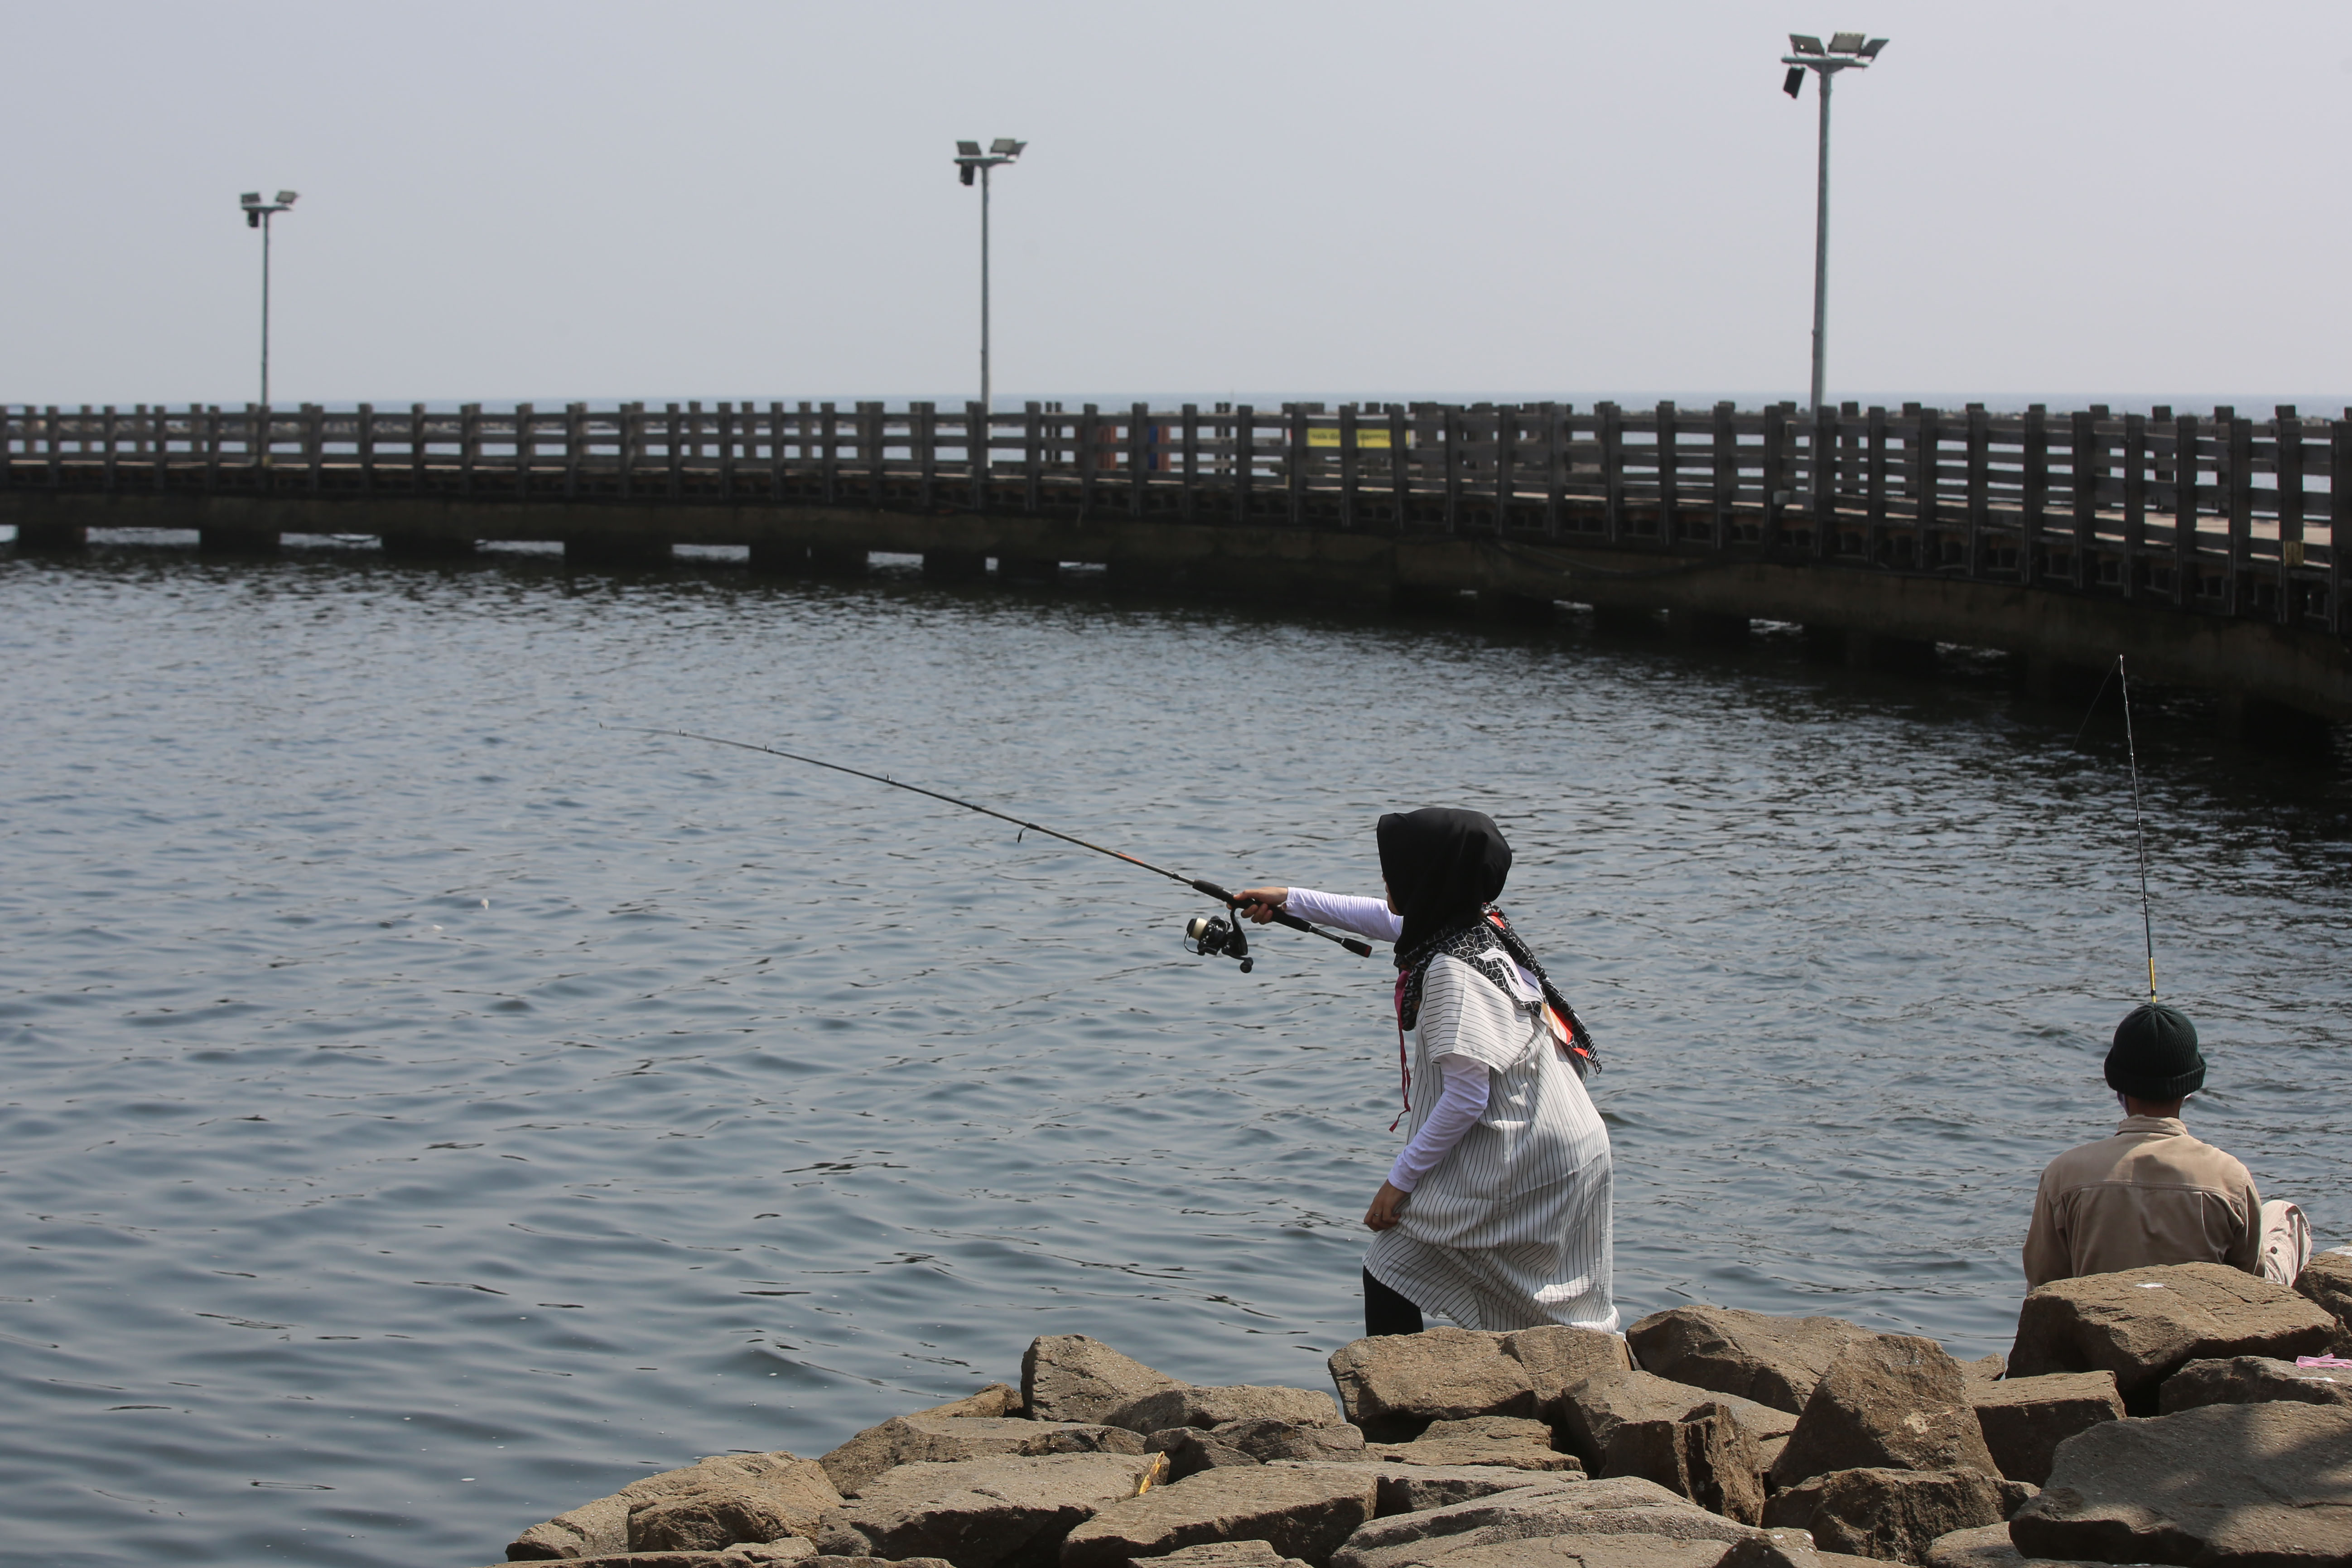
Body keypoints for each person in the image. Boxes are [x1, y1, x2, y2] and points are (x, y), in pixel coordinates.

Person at [1236, 806, 1617, 1338]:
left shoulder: (1449, 972)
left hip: (1527, 1152)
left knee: (1390, 1267)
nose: (1387, 881)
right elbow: (1389, 919)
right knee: (1559, 1312)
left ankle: (1397, 1409)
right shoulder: (1476, 923)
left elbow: (1464, 1096)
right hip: (1570, 1136)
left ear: (1426, 879)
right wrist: (1290, 900)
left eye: (1395, 872)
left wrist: (1398, 1182)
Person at [2023, 1002, 2311, 1290]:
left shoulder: (2063, 1175)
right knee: (2286, 1214)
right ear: (2189, 1089)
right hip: (2207, 1325)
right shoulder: (2231, 1177)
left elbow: (2043, 1282)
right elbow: (2250, 1279)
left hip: (2096, 1329)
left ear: (2117, 1086)